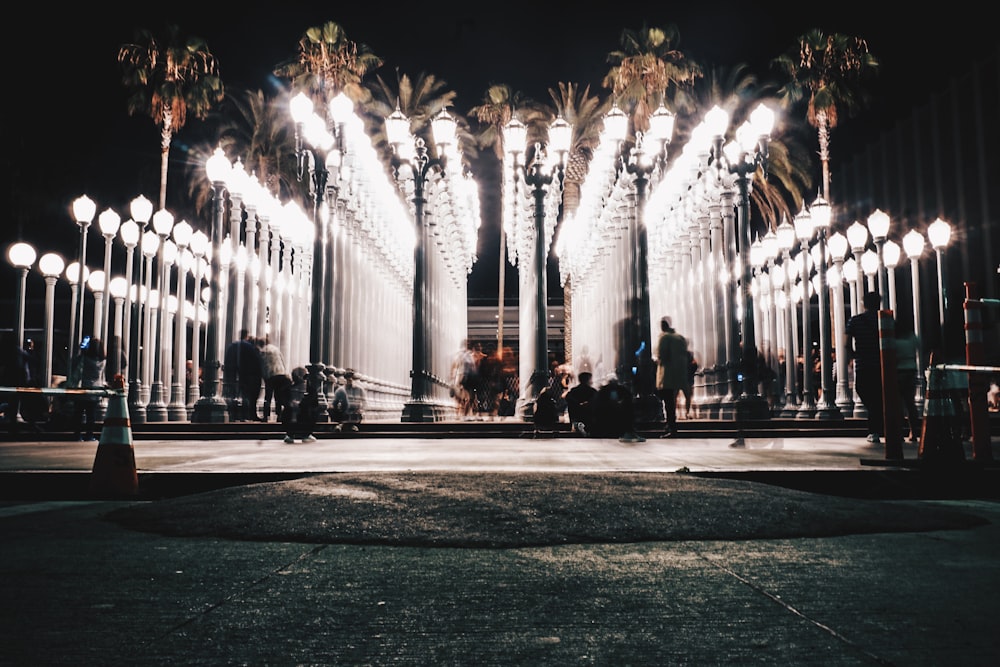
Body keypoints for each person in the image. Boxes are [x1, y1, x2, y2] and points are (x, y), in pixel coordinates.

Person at [846, 291, 884, 444]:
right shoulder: (885, 319)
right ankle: (880, 426)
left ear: (863, 303)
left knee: (864, 391)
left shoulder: (855, 321)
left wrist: (853, 355)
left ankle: (874, 429)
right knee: (879, 397)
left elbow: (845, 342)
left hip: (863, 364)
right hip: (882, 364)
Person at [655, 316, 690, 438]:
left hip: (667, 375)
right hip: (679, 375)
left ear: (664, 326)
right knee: (672, 402)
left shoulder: (664, 337)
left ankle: (671, 427)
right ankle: (670, 426)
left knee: (668, 403)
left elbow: (661, 355)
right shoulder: (680, 338)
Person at [224, 329, 263, 421]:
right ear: (246, 335)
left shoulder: (232, 346)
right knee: (251, 396)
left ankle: (236, 414)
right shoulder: (250, 347)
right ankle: (250, 415)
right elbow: (256, 361)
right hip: (250, 374)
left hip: (236, 374)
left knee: (236, 394)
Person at [592, 373, 644, 442]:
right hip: (608, 415)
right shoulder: (607, 391)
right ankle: (629, 431)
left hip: (614, 415)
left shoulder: (605, 391)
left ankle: (629, 431)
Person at [73, 337, 106, 441]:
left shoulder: (84, 358)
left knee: (78, 414)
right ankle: (89, 435)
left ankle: (77, 435)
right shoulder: (102, 361)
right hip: (95, 389)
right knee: (91, 415)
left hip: (82, 388)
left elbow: (77, 370)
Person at [894, 319, 922, 443]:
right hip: (911, 369)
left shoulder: (893, 339)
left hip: (897, 370)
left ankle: (899, 432)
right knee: (910, 403)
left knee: (898, 403)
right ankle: (913, 432)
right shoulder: (911, 337)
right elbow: (921, 347)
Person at [258, 337, 290, 423]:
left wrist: (264, 377)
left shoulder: (262, 352)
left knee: (268, 397)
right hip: (281, 373)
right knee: (278, 397)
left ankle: (265, 416)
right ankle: (278, 415)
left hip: (271, 375)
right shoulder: (276, 349)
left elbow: (263, 365)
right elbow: (282, 361)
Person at [282, 366, 316, 444]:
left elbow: (314, 402)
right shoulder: (288, 388)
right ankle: (290, 434)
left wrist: (301, 404)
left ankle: (306, 434)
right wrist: (290, 404)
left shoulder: (310, 389)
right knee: (287, 412)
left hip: (304, 411)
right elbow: (283, 399)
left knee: (310, 411)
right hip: (291, 410)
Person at [564, 371, 598, 436]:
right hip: (588, 415)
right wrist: (587, 403)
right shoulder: (592, 391)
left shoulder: (574, 390)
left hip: (576, 414)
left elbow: (568, 398)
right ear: (588, 380)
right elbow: (596, 400)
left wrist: (578, 404)